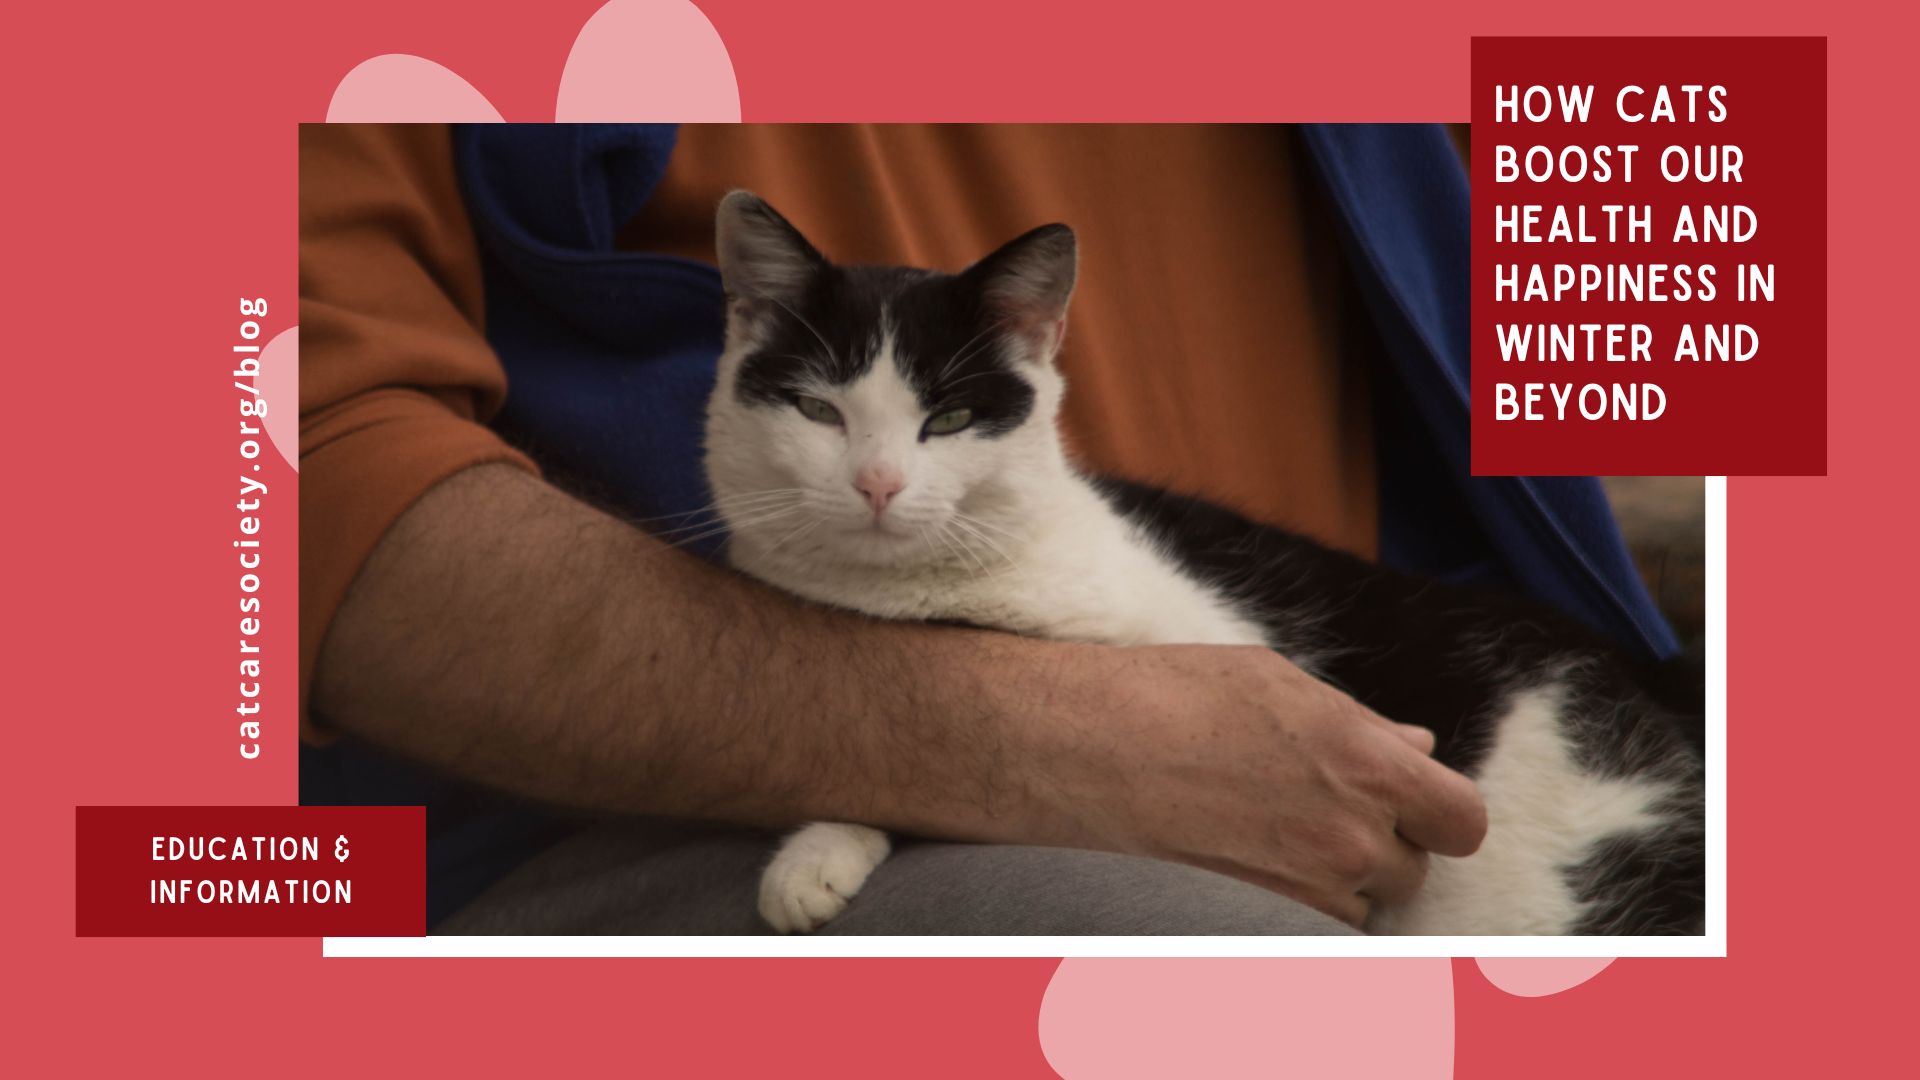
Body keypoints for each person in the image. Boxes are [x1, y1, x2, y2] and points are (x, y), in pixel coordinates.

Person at [300, 123, 1492, 934]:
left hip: (1410, 688)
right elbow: (275, 472)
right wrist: (1026, 746)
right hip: (596, 818)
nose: (877, 477)